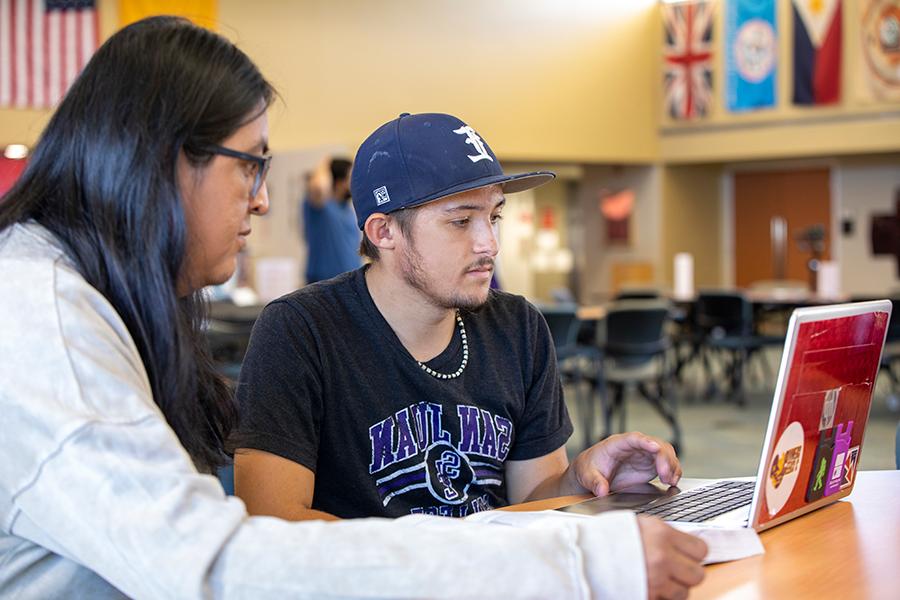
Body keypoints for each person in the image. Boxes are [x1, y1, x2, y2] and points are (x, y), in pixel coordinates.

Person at [0, 19, 704, 599]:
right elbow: (215, 567)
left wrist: (580, 489)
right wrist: (575, 566)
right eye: (249, 164)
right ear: (163, 159)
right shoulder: (46, 324)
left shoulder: (83, 297)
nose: (263, 199)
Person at [234, 113, 707, 591]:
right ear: (383, 233)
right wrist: (468, 561)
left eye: (494, 216)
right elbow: (274, 528)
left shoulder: (518, 327)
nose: (490, 244)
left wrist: (582, 481)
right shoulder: (299, 332)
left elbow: (532, 501)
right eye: (461, 221)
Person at [302, 155, 361, 283]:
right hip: (322, 285)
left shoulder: (348, 209)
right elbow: (318, 186)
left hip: (350, 283)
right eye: (350, 177)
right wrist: (327, 162)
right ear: (339, 181)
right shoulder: (320, 206)